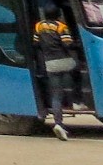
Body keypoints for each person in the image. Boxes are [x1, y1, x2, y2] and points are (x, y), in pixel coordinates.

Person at [34, 9, 79, 141]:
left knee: (56, 96)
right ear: (58, 16)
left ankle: (58, 123)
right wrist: (77, 45)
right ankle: (76, 100)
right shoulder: (61, 27)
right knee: (76, 71)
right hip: (64, 61)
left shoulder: (39, 26)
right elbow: (68, 44)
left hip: (50, 63)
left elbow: (36, 44)